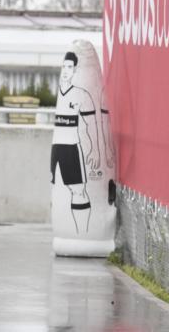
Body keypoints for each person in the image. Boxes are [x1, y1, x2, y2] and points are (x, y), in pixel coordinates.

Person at [50, 51, 101, 234]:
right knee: (56, 192)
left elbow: (92, 124)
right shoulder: (56, 93)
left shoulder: (81, 95)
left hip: (72, 148)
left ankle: (82, 234)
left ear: (75, 70)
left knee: (78, 191)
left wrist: (95, 149)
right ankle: (63, 233)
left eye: (69, 67)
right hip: (56, 148)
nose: (65, 70)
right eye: (63, 66)